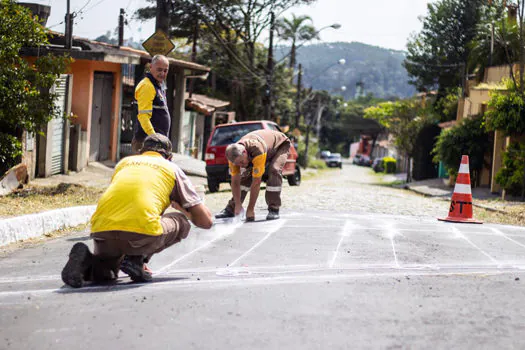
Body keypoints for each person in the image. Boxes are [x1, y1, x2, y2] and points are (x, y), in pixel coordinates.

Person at [61, 133, 213, 288]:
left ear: (141, 152)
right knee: (181, 221)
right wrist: (184, 211)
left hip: (102, 230)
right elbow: (206, 222)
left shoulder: (124, 163)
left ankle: (85, 259)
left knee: (105, 273)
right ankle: (137, 259)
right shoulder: (171, 168)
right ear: (169, 156)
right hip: (140, 232)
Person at [215, 129, 291, 221]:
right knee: (246, 175)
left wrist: (250, 209)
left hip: (280, 145)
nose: (241, 165)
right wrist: (238, 205)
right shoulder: (233, 156)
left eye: (242, 162)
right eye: (238, 164)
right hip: (263, 148)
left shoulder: (257, 149)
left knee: (274, 170)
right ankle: (232, 208)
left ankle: (274, 209)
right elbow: (235, 182)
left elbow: (256, 182)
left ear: (244, 152)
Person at [132, 54, 171, 153]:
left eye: (165, 71)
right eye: (159, 69)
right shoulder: (147, 86)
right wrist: (154, 138)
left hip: (156, 143)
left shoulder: (158, 85)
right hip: (148, 143)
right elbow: (143, 116)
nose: (162, 73)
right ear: (151, 67)